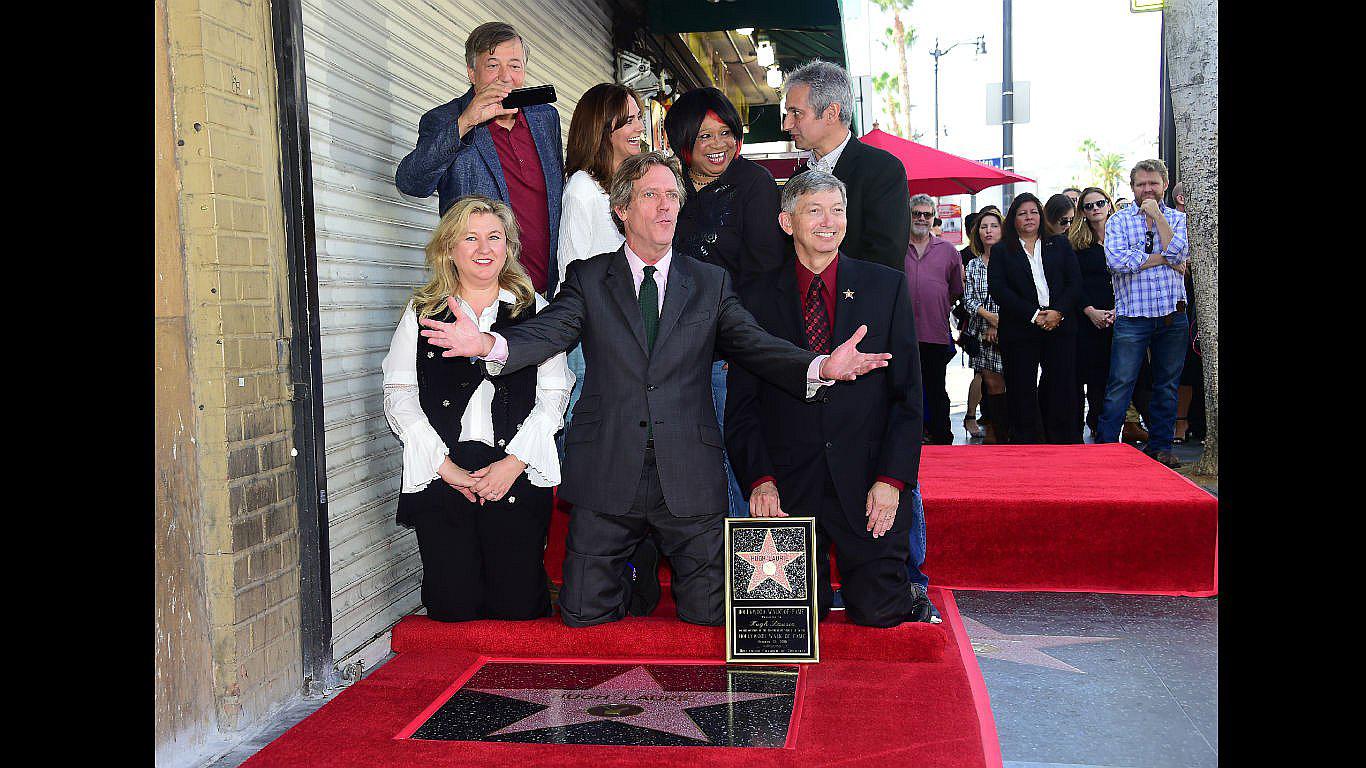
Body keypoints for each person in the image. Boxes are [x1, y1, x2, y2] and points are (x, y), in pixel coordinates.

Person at [416, 152, 894, 628]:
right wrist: (484, 342)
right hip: (608, 469)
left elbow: (756, 345)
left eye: (672, 196)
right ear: (622, 209)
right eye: (651, 195)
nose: (666, 206)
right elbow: (548, 332)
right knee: (582, 615)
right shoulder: (588, 277)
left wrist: (820, 365)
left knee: (711, 621)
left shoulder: (710, 282)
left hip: (688, 471)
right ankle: (634, 587)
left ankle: (643, 586)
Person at [724, 170, 932, 627]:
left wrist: (892, 481)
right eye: (814, 210)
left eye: (837, 210)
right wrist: (759, 480)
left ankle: (902, 589)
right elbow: (741, 408)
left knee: (881, 615)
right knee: (780, 623)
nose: (828, 221)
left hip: (867, 484)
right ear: (786, 222)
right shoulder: (751, 298)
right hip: (786, 488)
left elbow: (908, 399)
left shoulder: (886, 286)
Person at [381, 195, 574, 622]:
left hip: (514, 469)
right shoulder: (422, 312)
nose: (484, 249)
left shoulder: (536, 310)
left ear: (508, 246)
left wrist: (514, 463)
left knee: (518, 609)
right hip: (445, 471)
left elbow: (554, 394)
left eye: (494, 237)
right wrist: (442, 467)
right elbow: (399, 395)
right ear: (450, 248)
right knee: (452, 608)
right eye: (470, 238)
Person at [665, 86, 787, 518]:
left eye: (725, 133)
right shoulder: (669, 187)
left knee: (735, 457)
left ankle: (755, 578)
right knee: (689, 461)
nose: (719, 146)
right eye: (704, 137)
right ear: (683, 144)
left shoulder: (753, 184)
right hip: (675, 354)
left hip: (726, 354)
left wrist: (742, 343)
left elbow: (765, 274)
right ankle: (709, 563)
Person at [395, 22, 565, 296]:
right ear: (472, 73)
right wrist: (465, 123)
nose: (505, 77)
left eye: (515, 65)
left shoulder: (544, 118)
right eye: (493, 65)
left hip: (548, 293)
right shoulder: (445, 120)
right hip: (484, 294)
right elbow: (410, 182)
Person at [558, 83, 645, 426]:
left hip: (625, 330)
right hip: (590, 337)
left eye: (638, 118)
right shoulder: (582, 189)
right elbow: (570, 271)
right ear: (602, 128)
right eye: (629, 121)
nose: (639, 128)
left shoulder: (626, 184)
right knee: (583, 425)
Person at [1096, 160, 1190, 468]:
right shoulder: (1119, 221)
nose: (1147, 189)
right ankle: (1107, 445)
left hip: (1172, 316)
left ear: (1164, 183)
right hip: (1133, 316)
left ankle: (1161, 447)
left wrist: (1157, 217)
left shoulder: (1177, 218)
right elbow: (1117, 262)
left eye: (1152, 183)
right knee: (1121, 382)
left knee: (1167, 384)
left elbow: (1180, 254)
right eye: (1140, 184)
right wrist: (1164, 258)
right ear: (1132, 186)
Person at [782, 59, 911, 272]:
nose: (787, 124)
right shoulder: (797, 180)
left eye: (796, 113)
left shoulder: (883, 170)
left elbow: (885, 260)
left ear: (831, 113)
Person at [987, 193, 1083, 444]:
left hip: (1059, 324)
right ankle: (1027, 441)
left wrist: (1058, 312)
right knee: (1021, 387)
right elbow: (998, 289)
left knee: (1060, 384)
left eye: (1033, 212)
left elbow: (1074, 283)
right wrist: (1033, 315)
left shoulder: (1059, 244)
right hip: (1020, 327)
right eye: (1022, 213)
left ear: (1041, 215)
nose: (1029, 217)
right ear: (1013, 219)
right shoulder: (1001, 250)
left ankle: (1060, 440)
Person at [904, 193, 963, 445]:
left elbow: (955, 290)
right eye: (916, 213)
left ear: (933, 218)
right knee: (905, 390)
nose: (921, 218)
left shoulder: (948, 251)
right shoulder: (895, 247)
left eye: (926, 214)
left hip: (935, 331)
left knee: (937, 388)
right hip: (902, 333)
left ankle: (941, 437)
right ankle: (907, 439)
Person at [1067, 187, 1117, 437]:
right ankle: (1084, 429)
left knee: (1110, 377)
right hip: (1086, 318)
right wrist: (1090, 311)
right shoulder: (1077, 245)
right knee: (1085, 376)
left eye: (1100, 203)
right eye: (1088, 206)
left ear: (1108, 204)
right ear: (1082, 212)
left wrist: (1118, 310)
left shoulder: (1123, 237)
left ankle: (1104, 427)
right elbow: (1073, 283)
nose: (1095, 208)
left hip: (1119, 316)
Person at [962, 208, 1009, 444]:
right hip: (982, 332)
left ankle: (1013, 430)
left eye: (993, 226)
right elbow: (968, 300)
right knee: (991, 383)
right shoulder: (973, 265)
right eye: (983, 227)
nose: (988, 231)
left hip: (1011, 330)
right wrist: (990, 319)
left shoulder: (1013, 259)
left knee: (1016, 382)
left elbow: (1016, 296)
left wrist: (999, 324)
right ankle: (996, 429)